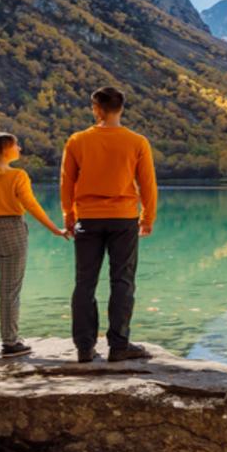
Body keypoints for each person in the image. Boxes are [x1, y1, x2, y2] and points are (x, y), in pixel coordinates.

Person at [60, 86, 158, 363]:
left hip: (88, 219)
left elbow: (67, 182)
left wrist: (69, 215)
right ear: (121, 108)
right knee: (123, 282)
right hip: (124, 219)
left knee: (84, 282)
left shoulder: (78, 140)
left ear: (96, 109)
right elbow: (148, 184)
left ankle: (84, 347)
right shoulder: (137, 141)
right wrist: (147, 217)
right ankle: (119, 346)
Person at [0, 132, 70, 359]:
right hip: (11, 230)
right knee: (9, 291)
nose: (19, 148)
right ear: (5, 151)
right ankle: (10, 343)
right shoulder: (18, 175)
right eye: (16, 145)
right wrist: (54, 229)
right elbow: (31, 205)